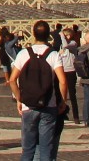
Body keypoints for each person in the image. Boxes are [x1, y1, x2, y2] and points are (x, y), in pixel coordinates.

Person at [9, 22, 63, 161]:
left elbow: (12, 80)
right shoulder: (53, 54)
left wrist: (20, 98)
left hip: (28, 105)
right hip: (48, 104)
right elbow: (63, 81)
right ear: (48, 35)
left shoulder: (23, 54)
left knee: (27, 150)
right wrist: (62, 101)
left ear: (33, 34)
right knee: (46, 150)